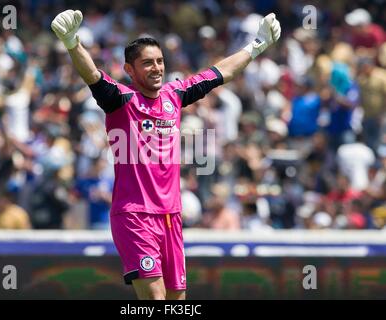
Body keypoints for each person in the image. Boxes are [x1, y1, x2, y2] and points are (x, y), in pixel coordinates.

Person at [51, 9, 281, 300]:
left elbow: (222, 72)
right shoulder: (122, 100)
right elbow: (93, 76)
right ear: (130, 71)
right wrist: (72, 42)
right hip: (134, 216)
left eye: (160, 61)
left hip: (171, 217)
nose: (157, 68)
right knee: (156, 301)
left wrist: (257, 46)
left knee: (177, 303)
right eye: (147, 63)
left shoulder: (175, 94)